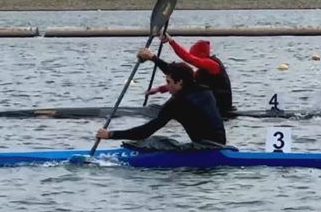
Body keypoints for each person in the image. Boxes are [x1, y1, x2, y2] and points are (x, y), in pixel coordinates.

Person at [96, 62, 226, 145]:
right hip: (220, 144)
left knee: (152, 142)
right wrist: (154, 58)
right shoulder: (206, 90)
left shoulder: (177, 103)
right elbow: (184, 74)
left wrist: (111, 134)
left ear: (180, 82)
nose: (167, 87)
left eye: (168, 82)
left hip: (205, 148)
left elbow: (146, 131)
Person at [139, 34, 234, 113]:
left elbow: (187, 58)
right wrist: (158, 89)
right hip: (210, 105)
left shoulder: (213, 65)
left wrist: (171, 41)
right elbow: (183, 83)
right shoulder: (200, 72)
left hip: (221, 107)